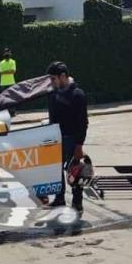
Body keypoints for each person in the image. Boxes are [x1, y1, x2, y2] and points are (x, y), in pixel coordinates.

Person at [46, 61, 88, 215]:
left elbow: (83, 123)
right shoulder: (53, 93)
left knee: (74, 172)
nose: (51, 82)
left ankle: (77, 202)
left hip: (71, 139)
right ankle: (59, 198)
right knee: (56, 170)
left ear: (63, 76)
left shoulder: (77, 95)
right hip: (56, 138)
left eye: (53, 79)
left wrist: (79, 145)